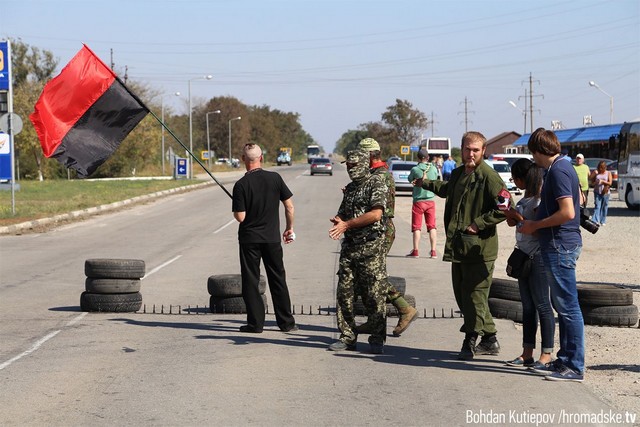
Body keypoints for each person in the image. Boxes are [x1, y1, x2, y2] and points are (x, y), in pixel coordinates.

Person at [418, 131, 510, 360]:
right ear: (462, 149)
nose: (471, 154)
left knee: (475, 297)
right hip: (458, 249)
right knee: (462, 296)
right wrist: (426, 183)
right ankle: (490, 339)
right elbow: (448, 190)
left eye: (476, 150)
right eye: (468, 149)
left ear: (483, 151)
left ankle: (470, 339)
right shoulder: (459, 173)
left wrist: (478, 224)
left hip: (479, 250)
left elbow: (505, 205)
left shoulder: (489, 177)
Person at [519, 127, 585, 382]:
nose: (533, 159)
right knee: (563, 306)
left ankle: (574, 366)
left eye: (533, 154)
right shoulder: (562, 167)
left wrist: (535, 225)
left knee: (568, 308)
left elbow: (568, 211)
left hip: (559, 245)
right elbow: (577, 201)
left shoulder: (557, 170)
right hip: (560, 243)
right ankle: (564, 360)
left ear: (538, 150)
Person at [232, 143, 297, 334]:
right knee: (278, 278)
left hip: (249, 240)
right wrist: (289, 228)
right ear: (261, 158)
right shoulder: (275, 178)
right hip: (271, 239)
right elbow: (289, 207)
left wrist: (237, 206)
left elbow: (240, 217)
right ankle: (286, 323)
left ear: (243, 159)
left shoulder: (241, 185)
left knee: (251, 281)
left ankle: (255, 324)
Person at [328, 149, 388, 354]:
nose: (350, 169)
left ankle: (377, 338)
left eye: (354, 165)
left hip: (370, 247)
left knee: (374, 294)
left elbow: (376, 214)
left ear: (364, 164)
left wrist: (347, 225)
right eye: (348, 166)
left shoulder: (376, 183)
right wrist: (339, 221)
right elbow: (343, 212)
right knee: (344, 293)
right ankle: (347, 336)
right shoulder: (351, 188)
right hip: (350, 248)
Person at [357, 138, 418, 337]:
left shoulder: (380, 175)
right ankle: (374, 320)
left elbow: (378, 209)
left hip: (380, 229)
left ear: (368, 156)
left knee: (375, 275)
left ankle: (404, 308)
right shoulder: (376, 173)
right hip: (375, 229)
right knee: (367, 276)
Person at [502, 159, 555, 370]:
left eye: (516, 177)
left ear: (524, 178)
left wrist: (519, 218)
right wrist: (510, 215)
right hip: (523, 256)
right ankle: (527, 353)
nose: (514, 181)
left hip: (539, 257)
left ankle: (547, 354)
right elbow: (517, 225)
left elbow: (538, 229)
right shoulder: (525, 199)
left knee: (543, 306)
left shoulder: (542, 201)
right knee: (527, 308)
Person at [406, 148, 439, 259]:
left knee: (417, 227)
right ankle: (433, 251)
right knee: (432, 226)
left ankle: (416, 251)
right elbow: (436, 180)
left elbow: (410, 179)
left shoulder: (415, 169)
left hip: (418, 201)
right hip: (430, 200)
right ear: (428, 157)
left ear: (418, 158)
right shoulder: (433, 168)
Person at [590, 160, 612, 226]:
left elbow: (610, 183)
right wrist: (595, 181)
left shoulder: (608, 173)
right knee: (597, 206)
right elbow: (591, 181)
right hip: (597, 191)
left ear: (605, 167)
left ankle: (603, 221)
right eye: (599, 167)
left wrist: (602, 181)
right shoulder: (596, 172)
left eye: (602, 168)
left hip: (605, 192)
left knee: (604, 206)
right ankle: (595, 220)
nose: (600, 169)